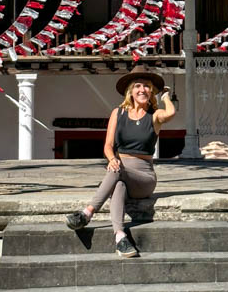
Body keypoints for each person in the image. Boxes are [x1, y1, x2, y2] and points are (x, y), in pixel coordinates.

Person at [65, 67, 176, 258]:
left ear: (151, 92)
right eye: (138, 86)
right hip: (120, 171)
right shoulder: (118, 112)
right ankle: (120, 237)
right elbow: (108, 146)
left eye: (147, 87)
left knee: (118, 173)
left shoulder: (155, 115)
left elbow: (171, 113)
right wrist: (112, 158)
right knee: (119, 185)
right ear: (131, 91)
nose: (142, 90)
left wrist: (165, 97)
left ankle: (87, 213)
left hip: (144, 178)